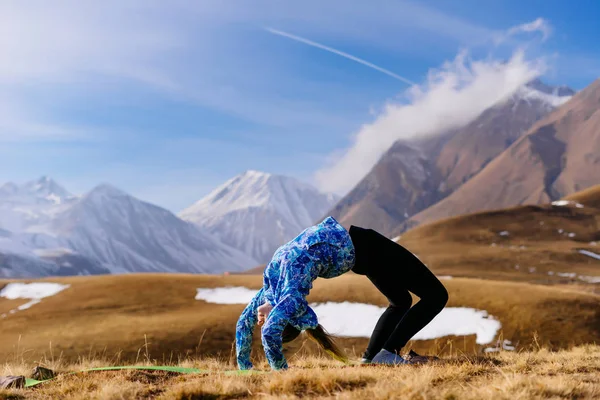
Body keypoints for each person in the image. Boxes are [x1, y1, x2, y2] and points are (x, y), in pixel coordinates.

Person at [235, 216, 448, 370]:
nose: (262, 320)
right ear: (286, 315)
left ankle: (372, 357)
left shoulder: (273, 291)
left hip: (361, 253)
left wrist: (245, 367)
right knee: (436, 296)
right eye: (278, 318)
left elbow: (244, 323)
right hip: (366, 247)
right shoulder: (290, 296)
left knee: (400, 301)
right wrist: (280, 372)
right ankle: (387, 353)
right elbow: (270, 331)